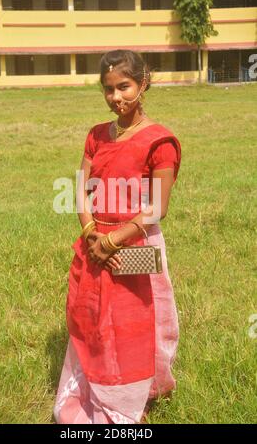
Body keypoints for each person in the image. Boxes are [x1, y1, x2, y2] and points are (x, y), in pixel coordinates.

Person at [54, 49, 181, 424]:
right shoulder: (96, 135)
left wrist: (114, 240)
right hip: (94, 245)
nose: (116, 97)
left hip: (136, 245)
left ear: (143, 83)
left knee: (134, 327)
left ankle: (129, 403)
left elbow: (157, 207)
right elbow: (81, 189)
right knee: (92, 321)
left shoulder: (160, 141)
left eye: (124, 86)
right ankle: (99, 388)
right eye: (108, 89)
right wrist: (93, 232)